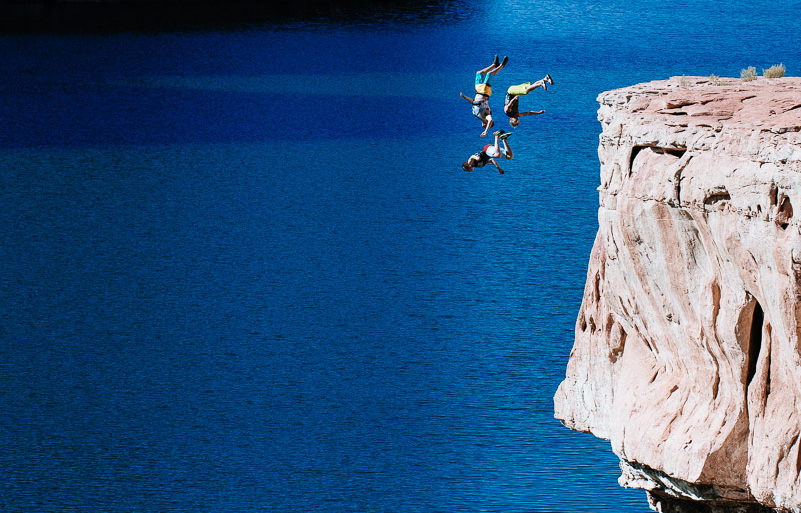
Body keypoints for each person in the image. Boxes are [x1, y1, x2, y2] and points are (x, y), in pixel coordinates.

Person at [459, 55, 508, 137]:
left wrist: (465, 97)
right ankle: (501, 66)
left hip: (478, 91)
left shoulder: (476, 114)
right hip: (485, 91)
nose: (483, 126)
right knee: (489, 74)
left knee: (479, 73)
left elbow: (473, 102)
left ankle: (494, 64)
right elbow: (490, 121)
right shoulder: (486, 115)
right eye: (486, 126)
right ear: (487, 124)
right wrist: (486, 131)